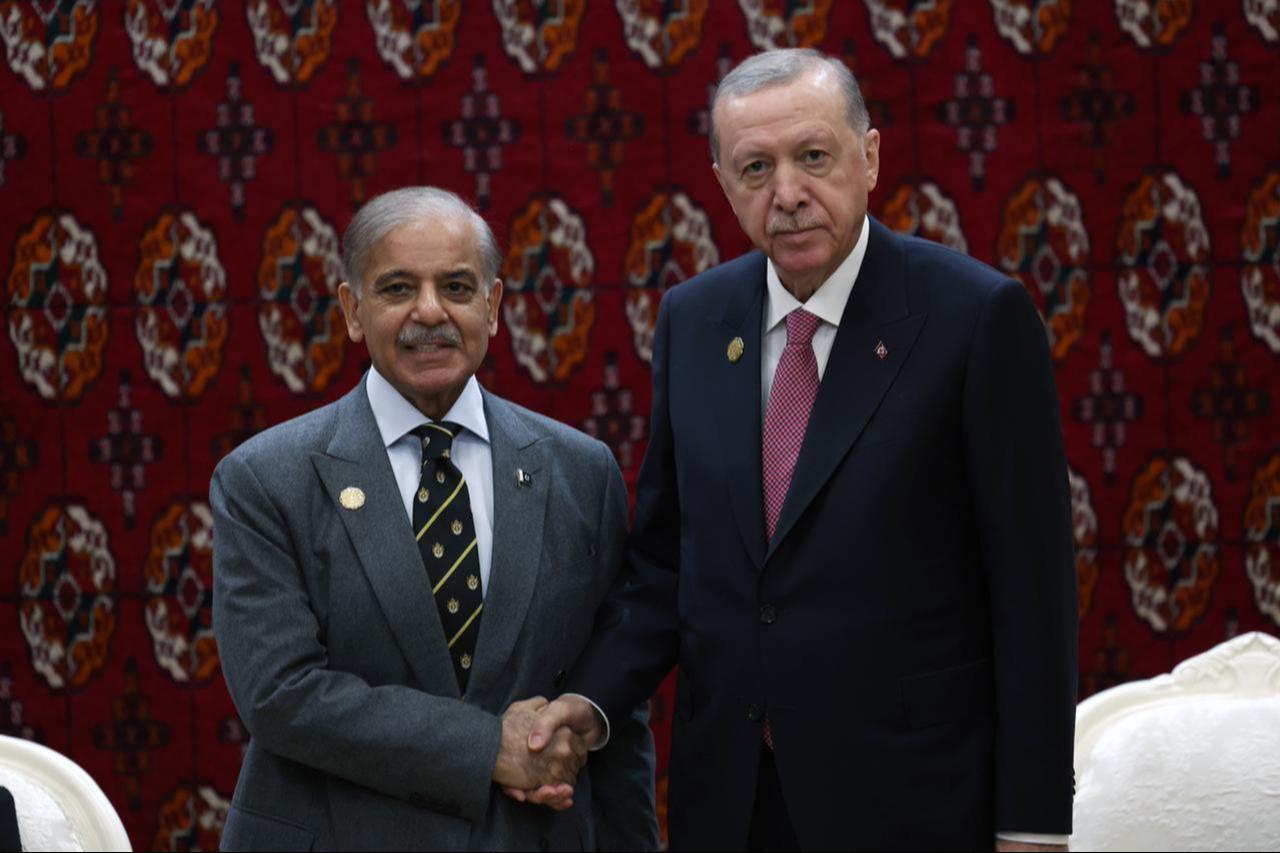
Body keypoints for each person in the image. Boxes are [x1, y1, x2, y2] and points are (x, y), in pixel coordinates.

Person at [517, 49, 1077, 851]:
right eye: (755, 167)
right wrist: (590, 702)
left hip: (916, 800)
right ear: (722, 181)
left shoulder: (976, 317)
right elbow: (668, 567)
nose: (787, 194)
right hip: (734, 802)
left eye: (813, 156)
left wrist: (1032, 826)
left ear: (870, 155)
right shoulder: (693, 319)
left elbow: (1035, 598)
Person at [211, 187, 658, 851]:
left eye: (455, 285)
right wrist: (487, 748)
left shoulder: (582, 471)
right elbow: (282, 694)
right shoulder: (265, 479)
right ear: (352, 311)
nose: (430, 311)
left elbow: (616, 708)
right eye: (397, 288)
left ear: (493, 306)